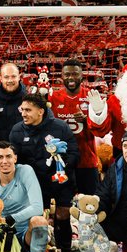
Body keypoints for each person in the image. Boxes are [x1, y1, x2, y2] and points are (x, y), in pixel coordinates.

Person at [8, 92, 78, 252]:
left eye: (28, 110)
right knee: (39, 222)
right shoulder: (17, 130)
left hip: (60, 181)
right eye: (22, 109)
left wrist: (61, 171)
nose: (24, 113)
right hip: (35, 185)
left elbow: (73, 153)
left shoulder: (60, 127)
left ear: (41, 111)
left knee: (63, 218)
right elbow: (15, 160)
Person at [47, 58, 98, 197]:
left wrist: (87, 120)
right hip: (61, 161)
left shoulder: (91, 96)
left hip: (86, 160)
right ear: (62, 76)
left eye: (75, 74)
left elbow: (101, 128)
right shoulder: (53, 99)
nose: (71, 77)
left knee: (89, 203)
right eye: (67, 74)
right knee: (62, 205)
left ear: (81, 75)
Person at [0, 62, 26, 146]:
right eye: (6, 77)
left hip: (25, 154)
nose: (10, 80)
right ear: (1, 78)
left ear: (19, 77)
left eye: (13, 76)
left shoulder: (29, 101)